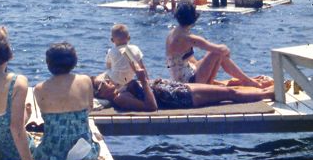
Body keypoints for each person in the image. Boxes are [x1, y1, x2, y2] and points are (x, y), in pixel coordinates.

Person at [95, 63, 276, 112]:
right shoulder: (120, 99)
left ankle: (263, 91)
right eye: (105, 83)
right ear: (100, 93)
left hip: (177, 88)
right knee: (230, 93)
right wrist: (142, 81)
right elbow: (151, 107)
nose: (109, 81)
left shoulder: (119, 92)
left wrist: (144, 78)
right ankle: (268, 93)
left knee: (229, 92)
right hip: (182, 97)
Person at [165, 3, 270, 87]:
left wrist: (205, 66)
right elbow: (221, 49)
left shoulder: (173, 33)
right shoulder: (189, 38)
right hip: (189, 83)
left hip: (181, 78)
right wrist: (225, 53)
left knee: (217, 54)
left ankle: (244, 80)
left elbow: (188, 61)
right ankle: (247, 80)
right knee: (216, 53)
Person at [33, 42, 101, 160]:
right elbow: (90, 108)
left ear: (49, 64)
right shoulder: (85, 80)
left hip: (52, 153)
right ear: (74, 62)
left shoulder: (39, 89)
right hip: (83, 150)